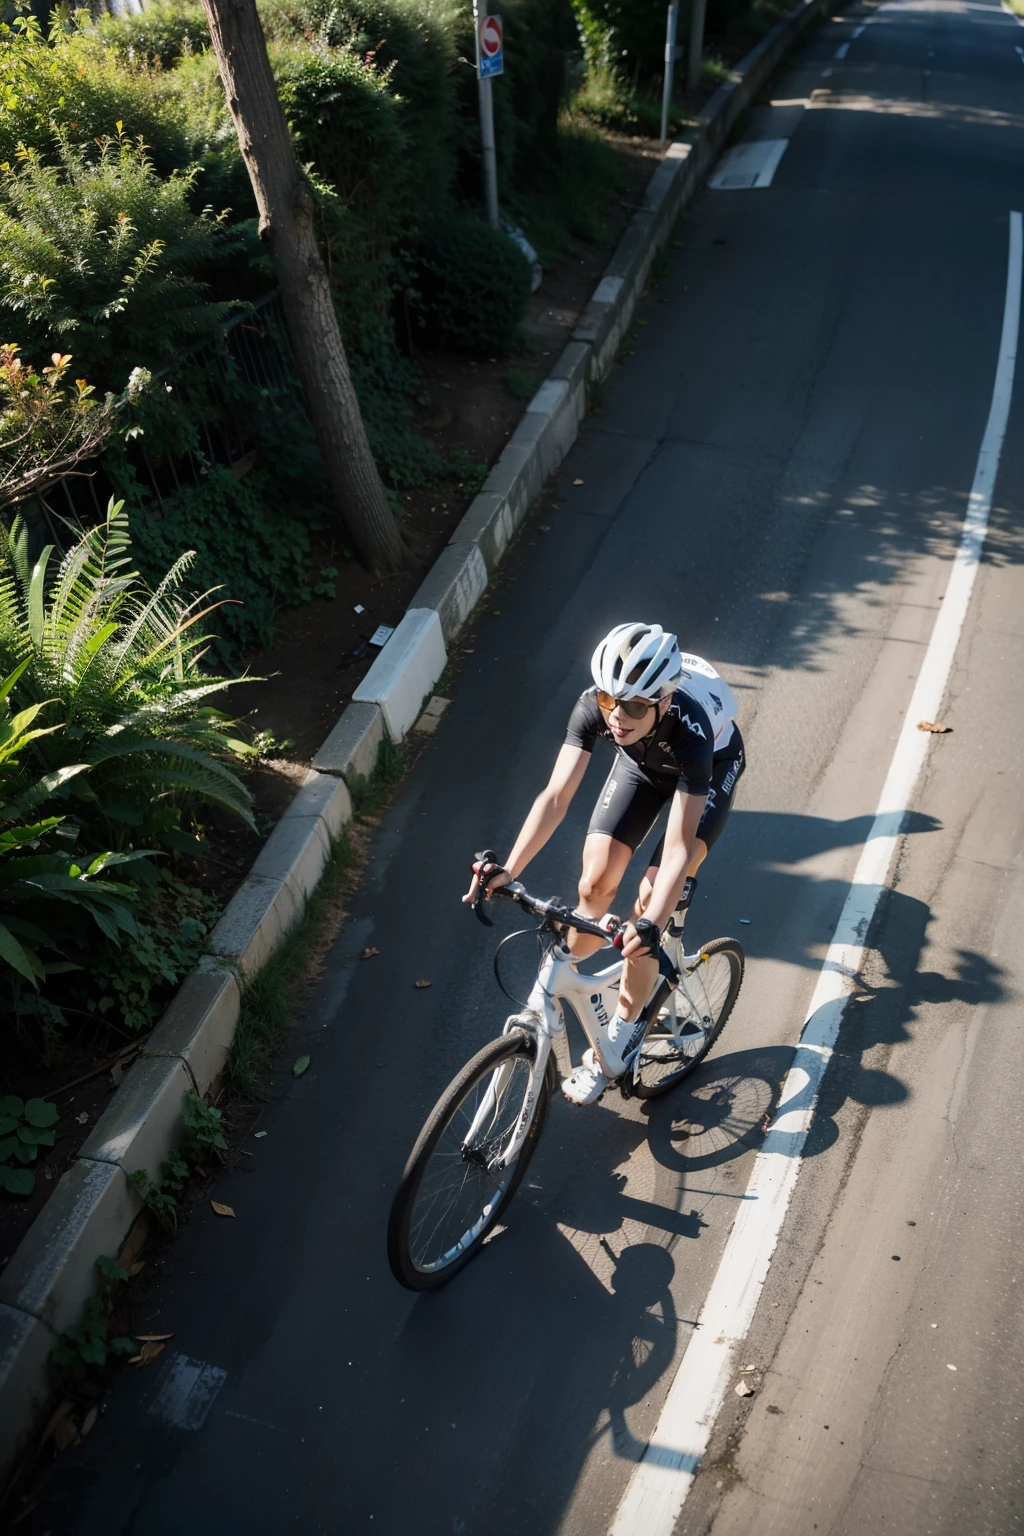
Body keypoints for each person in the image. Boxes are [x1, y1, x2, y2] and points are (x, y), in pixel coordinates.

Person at [464, 622, 745, 1105]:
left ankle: (625, 1030)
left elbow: (678, 846)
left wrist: (652, 923)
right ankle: (574, 979)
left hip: (708, 770)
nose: (616, 716)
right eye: (608, 701)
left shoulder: (693, 731)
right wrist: (509, 869)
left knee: (649, 897)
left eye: (633, 706)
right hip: (643, 764)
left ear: (663, 701)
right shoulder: (603, 706)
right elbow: (556, 797)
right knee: (594, 887)